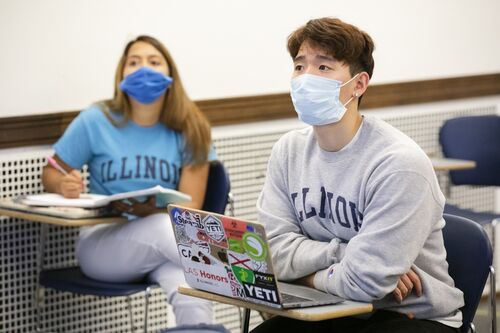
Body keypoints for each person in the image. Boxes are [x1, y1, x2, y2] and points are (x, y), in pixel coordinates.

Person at [253, 18, 464, 333]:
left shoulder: (398, 163)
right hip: (328, 305)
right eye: (299, 67)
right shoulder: (288, 151)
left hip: (410, 314)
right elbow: (270, 253)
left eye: (323, 68)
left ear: (359, 84)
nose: (306, 77)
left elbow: (365, 283)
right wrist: (343, 253)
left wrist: (300, 274)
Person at [42, 35, 215, 326]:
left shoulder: (191, 127)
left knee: (192, 289)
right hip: (102, 245)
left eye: (154, 61)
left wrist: (151, 210)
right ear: (121, 74)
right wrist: (62, 184)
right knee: (166, 230)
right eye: (133, 62)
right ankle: (242, 282)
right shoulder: (96, 119)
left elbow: (192, 207)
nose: (143, 69)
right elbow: (50, 172)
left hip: (165, 245)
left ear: (170, 73)